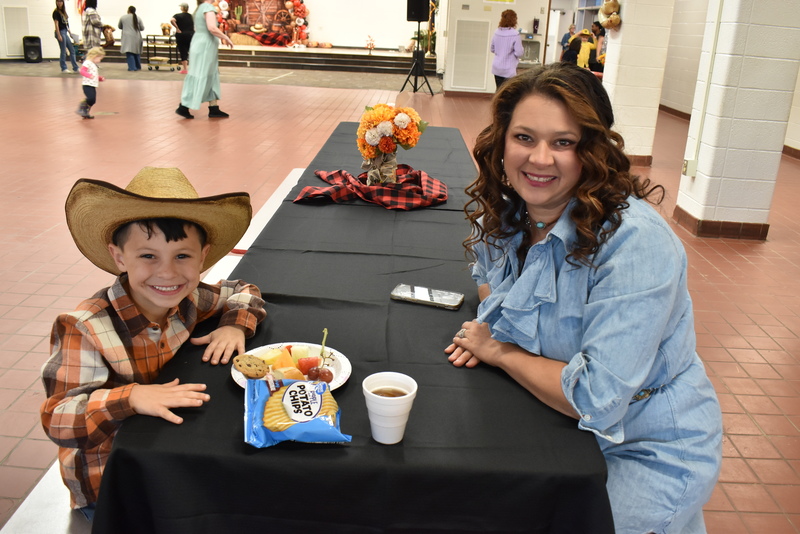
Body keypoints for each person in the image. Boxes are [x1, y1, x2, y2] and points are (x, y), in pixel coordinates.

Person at [445, 63, 722, 533]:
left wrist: (498, 349)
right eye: (525, 137)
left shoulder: (634, 243)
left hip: (642, 443)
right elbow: (489, 283)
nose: (540, 159)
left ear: (592, 150)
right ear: (502, 141)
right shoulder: (515, 209)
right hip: (558, 426)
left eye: (563, 142)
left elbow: (598, 397)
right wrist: (499, 320)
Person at [40, 167, 267, 522]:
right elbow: (59, 421)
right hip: (110, 486)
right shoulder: (84, 328)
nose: (168, 273)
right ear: (119, 257)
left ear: (203, 256)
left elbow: (243, 291)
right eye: (148, 256)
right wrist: (130, 397)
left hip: (172, 461)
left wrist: (234, 325)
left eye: (182, 256)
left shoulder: (190, 299)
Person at [176, 0, 234, 119]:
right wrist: (225, 37)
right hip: (205, 45)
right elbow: (212, 28)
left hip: (201, 43)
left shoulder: (200, 8)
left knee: (210, 74)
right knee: (201, 74)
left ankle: (213, 108)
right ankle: (184, 106)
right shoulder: (208, 7)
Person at [489, 9, 523, 91]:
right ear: (514, 20)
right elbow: (519, 52)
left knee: (499, 90)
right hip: (508, 70)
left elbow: (492, 49)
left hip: (497, 67)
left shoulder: (496, 32)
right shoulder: (515, 34)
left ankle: (496, 103)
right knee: (507, 93)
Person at [76, 46, 105, 119]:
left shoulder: (93, 64)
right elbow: (82, 71)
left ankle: (85, 112)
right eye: (99, 59)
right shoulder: (87, 63)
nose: (100, 61)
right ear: (95, 56)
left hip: (93, 85)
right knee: (90, 98)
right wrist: (88, 75)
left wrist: (99, 78)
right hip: (87, 84)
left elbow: (94, 75)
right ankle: (82, 107)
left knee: (93, 100)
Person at [53, 0, 79, 73]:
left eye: (60, 2)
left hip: (65, 31)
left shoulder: (64, 12)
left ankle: (75, 68)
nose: (59, 3)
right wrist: (58, 35)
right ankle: (64, 68)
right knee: (63, 50)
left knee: (72, 50)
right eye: (58, 2)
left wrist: (70, 33)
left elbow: (66, 24)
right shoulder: (56, 12)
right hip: (60, 32)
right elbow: (56, 24)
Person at [171, 2, 195, 74]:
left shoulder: (178, 16)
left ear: (182, 8)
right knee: (192, 51)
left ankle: (185, 69)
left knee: (183, 51)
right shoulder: (192, 16)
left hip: (181, 35)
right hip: (191, 34)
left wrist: (177, 28)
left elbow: (172, 20)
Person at [118, 5, 144, 71]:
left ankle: (132, 67)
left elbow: (120, 26)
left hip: (127, 37)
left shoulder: (123, 17)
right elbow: (142, 28)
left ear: (128, 10)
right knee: (136, 52)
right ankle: (138, 66)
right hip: (137, 36)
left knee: (129, 52)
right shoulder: (138, 18)